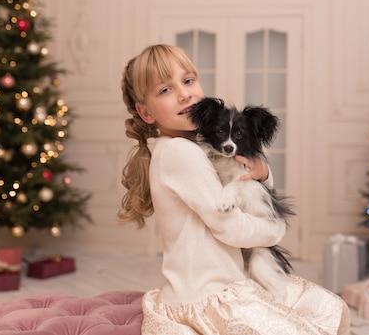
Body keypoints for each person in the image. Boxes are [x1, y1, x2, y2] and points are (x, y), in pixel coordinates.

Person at [119, 44, 350, 334]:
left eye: (188, 81)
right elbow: (228, 226)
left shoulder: (196, 146)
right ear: (146, 112)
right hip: (207, 297)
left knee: (326, 307)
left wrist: (263, 175)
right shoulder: (180, 153)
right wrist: (276, 230)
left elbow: (244, 193)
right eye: (165, 90)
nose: (184, 93)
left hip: (231, 281)